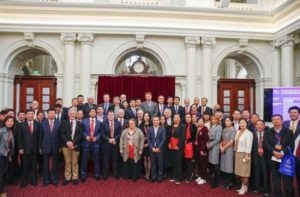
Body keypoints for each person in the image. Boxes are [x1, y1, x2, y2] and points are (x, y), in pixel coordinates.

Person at [264, 114, 294, 197]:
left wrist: (281, 153)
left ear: (282, 121)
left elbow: (291, 145)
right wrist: (274, 152)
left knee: (287, 181)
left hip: (285, 159)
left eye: (278, 119)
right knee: (275, 180)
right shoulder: (268, 131)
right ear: (272, 121)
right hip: (273, 158)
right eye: (274, 119)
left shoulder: (288, 131)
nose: (276, 120)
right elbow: (266, 144)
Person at [18, 110, 40, 187]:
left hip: (35, 148)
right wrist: (20, 148)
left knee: (34, 165)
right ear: (26, 115)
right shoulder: (21, 124)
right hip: (24, 149)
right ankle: (24, 181)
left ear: (34, 115)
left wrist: (39, 147)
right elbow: (19, 137)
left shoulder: (38, 124)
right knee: (25, 166)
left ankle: (33, 180)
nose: (30, 115)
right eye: (29, 114)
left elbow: (39, 137)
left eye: (32, 114)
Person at [39, 108, 62, 186]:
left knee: (54, 164)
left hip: (56, 146)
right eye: (50, 113)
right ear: (47, 114)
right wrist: (40, 147)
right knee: (45, 164)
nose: (52, 114)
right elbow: (40, 136)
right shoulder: (42, 123)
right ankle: (46, 180)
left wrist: (60, 146)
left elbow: (60, 136)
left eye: (53, 113)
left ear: (55, 114)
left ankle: (54, 179)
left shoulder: (59, 123)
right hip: (45, 146)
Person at [60, 108, 83, 185]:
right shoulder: (64, 123)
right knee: (67, 162)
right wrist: (67, 142)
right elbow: (62, 134)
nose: (72, 115)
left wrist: (72, 143)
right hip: (65, 146)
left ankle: (75, 177)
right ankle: (67, 177)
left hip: (75, 146)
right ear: (68, 114)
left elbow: (80, 135)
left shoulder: (79, 123)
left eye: (73, 113)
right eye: (71, 113)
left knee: (75, 162)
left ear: (76, 114)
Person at [80, 109, 102, 182]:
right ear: (89, 113)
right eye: (91, 112)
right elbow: (81, 131)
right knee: (84, 160)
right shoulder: (84, 121)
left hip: (95, 144)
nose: (92, 113)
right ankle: (83, 175)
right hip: (86, 143)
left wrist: (96, 138)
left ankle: (97, 174)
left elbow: (100, 133)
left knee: (96, 160)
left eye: (94, 112)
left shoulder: (99, 122)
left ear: (96, 113)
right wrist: (86, 136)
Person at [283, 106, 300, 195]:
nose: (293, 114)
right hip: (287, 154)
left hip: (298, 153)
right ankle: (289, 193)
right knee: (287, 175)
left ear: (298, 114)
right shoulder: (285, 123)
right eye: (291, 112)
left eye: (295, 112)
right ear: (289, 113)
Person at [252, 120, 271, 196]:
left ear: (264, 126)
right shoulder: (252, 134)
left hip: (265, 157)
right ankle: (257, 188)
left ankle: (267, 189)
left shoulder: (268, 134)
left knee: (265, 173)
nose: (259, 126)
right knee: (257, 172)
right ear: (255, 126)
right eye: (257, 124)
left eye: (261, 124)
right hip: (255, 156)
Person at [234, 118, 253, 195]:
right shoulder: (238, 131)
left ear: (246, 123)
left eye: (244, 122)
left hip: (245, 154)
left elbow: (249, 145)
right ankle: (242, 186)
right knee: (240, 171)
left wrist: (246, 155)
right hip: (238, 153)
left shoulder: (249, 133)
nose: (242, 124)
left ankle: (245, 187)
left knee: (245, 172)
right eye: (240, 122)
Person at [101, 110, 122, 180]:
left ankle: (115, 174)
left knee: (115, 159)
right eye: (109, 115)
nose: (111, 116)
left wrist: (114, 139)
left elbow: (120, 133)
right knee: (105, 160)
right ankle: (105, 174)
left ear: (114, 116)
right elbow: (102, 134)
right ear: (107, 116)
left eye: (112, 115)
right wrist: (108, 139)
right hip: (106, 144)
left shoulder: (118, 123)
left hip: (115, 144)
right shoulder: (103, 123)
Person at [220, 116, 236, 190]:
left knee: (229, 166)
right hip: (223, 149)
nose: (227, 122)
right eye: (226, 121)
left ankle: (230, 182)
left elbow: (231, 141)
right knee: (224, 165)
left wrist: (224, 147)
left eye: (228, 121)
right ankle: (226, 181)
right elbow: (222, 139)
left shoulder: (233, 130)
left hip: (229, 149)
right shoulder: (224, 129)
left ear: (232, 122)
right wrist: (221, 146)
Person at [147, 116, 166, 183]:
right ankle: (153, 177)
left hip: (159, 149)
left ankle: (159, 178)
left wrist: (158, 148)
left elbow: (163, 139)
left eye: (157, 120)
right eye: (154, 120)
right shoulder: (149, 128)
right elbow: (148, 139)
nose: (155, 121)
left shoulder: (162, 128)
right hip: (152, 149)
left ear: (159, 121)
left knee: (160, 164)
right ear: (152, 121)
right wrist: (152, 147)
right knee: (153, 163)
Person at [0, 116, 15, 197]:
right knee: (1, 173)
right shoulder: (1, 131)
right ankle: (1, 192)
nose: (10, 123)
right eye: (8, 121)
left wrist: (9, 154)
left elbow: (10, 145)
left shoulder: (11, 130)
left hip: (6, 155)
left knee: (4, 172)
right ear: (4, 122)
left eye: (11, 121)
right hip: (0, 155)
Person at [169, 114, 186, 185]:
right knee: (174, 162)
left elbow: (183, 137)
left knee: (179, 162)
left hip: (179, 147)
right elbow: (170, 136)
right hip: (172, 146)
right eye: (175, 117)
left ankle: (179, 178)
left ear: (180, 118)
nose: (176, 119)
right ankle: (174, 176)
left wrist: (178, 146)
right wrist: (169, 143)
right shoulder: (172, 126)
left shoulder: (182, 126)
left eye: (177, 117)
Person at [207, 115, 222, 188]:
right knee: (211, 164)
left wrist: (210, 144)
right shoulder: (211, 126)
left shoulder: (219, 127)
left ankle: (216, 182)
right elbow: (209, 137)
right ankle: (212, 180)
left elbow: (218, 139)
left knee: (215, 164)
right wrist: (208, 143)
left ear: (217, 120)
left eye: (215, 119)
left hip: (215, 147)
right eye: (212, 119)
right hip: (210, 146)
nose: (213, 120)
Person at [195, 118, 209, 185]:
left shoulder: (205, 129)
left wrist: (202, 150)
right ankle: (200, 176)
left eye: (201, 121)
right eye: (199, 121)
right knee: (199, 163)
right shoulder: (198, 128)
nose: (200, 122)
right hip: (198, 149)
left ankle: (204, 178)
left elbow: (205, 140)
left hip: (203, 149)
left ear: (204, 122)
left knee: (204, 164)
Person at [139, 112, 152, 181]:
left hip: (150, 144)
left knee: (149, 160)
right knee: (145, 159)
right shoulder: (141, 125)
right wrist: (143, 143)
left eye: (147, 116)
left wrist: (148, 143)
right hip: (143, 144)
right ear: (143, 117)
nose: (146, 117)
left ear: (149, 117)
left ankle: (149, 173)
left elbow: (153, 135)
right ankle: (146, 172)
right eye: (145, 116)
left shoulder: (152, 124)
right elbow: (139, 135)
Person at [184, 113, 196, 183]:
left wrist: (187, 141)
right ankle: (187, 174)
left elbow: (194, 137)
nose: (187, 118)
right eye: (186, 117)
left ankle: (190, 176)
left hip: (190, 146)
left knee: (189, 161)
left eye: (189, 117)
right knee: (185, 161)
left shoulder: (194, 126)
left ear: (191, 118)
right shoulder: (184, 125)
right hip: (184, 146)